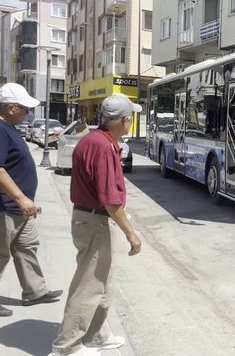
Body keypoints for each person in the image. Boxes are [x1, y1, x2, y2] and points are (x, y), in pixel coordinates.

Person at [50, 93, 142, 356]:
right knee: (89, 285)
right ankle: (66, 346)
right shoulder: (103, 146)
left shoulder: (95, 139)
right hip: (95, 221)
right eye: (131, 118)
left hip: (91, 218)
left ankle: (96, 335)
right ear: (125, 120)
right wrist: (131, 234)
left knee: (103, 283)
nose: (131, 122)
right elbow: (111, 200)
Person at [0, 83, 63, 317]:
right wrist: (20, 199)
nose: (28, 112)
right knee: (1, 253)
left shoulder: (9, 128)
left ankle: (35, 291)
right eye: (26, 108)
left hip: (20, 208)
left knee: (27, 247)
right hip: (6, 207)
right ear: (12, 108)